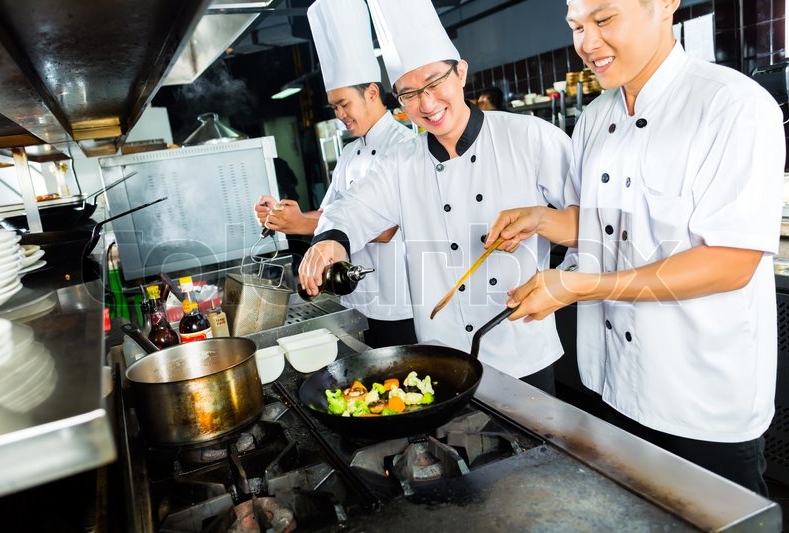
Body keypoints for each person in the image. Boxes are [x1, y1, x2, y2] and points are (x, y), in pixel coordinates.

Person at [486, 0, 784, 494]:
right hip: (613, 385)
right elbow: (607, 226)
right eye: (577, 27)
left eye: (603, 20)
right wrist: (544, 220)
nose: (587, 43)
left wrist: (581, 286)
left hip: (699, 399)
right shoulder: (595, 118)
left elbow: (730, 263)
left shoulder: (733, 106)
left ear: (665, 5)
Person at [298, 0, 573, 393]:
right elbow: (353, 208)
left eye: (434, 83)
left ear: (460, 72)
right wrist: (330, 241)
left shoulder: (531, 138)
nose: (427, 104)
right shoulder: (400, 162)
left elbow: (590, 224)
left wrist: (559, 271)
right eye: (409, 94)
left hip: (521, 349)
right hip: (442, 359)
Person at [255, 0, 417, 348]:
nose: (339, 114)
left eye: (345, 104)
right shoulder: (348, 152)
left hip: (398, 305)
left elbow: (386, 226)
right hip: (353, 299)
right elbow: (333, 213)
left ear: (372, 92)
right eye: (334, 107)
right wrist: (290, 218)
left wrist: (304, 225)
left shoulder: (404, 146)